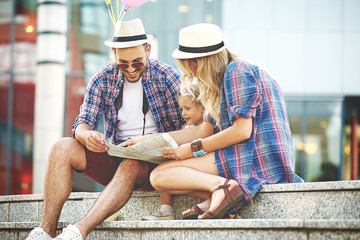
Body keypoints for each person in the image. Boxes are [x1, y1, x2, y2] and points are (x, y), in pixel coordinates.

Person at [124, 23, 304, 220]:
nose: (191, 73)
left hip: (256, 160)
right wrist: (146, 140)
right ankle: (221, 194)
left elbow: (242, 131)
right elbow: (202, 131)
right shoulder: (222, 80)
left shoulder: (237, 71)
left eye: (190, 65)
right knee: (160, 176)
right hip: (244, 155)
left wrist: (192, 149)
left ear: (200, 62)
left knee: (160, 176)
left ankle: (222, 189)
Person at [26, 18, 184, 240]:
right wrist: (86, 134)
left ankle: (77, 232)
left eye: (137, 62)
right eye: (123, 63)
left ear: (148, 50)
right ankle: (45, 231)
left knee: (131, 163)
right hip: (115, 157)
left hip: (155, 166)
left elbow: (188, 129)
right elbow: (81, 123)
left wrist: (149, 142)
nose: (130, 69)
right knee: (62, 146)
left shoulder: (168, 77)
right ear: (114, 56)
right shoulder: (103, 78)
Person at [142, 81, 205, 220]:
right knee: (164, 165)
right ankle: (165, 209)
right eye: (181, 109)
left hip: (202, 167)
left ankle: (212, 199)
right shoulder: (186, 128)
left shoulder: (209, 128)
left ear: (203, 108)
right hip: (185, 168)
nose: (183, 113)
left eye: (187, 108)